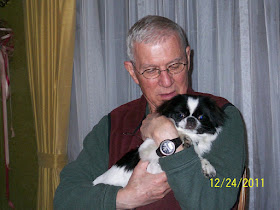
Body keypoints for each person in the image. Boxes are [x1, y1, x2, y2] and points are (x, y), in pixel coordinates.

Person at [54, 15, 246, 210]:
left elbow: (213, 204)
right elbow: (65, 198)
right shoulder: (114, 123)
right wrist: (124, 198)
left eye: (175, 66)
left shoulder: (220, 117)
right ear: (132, 72)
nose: (166, 81)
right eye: (151, 70)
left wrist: (167, 137)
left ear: (188, 57)